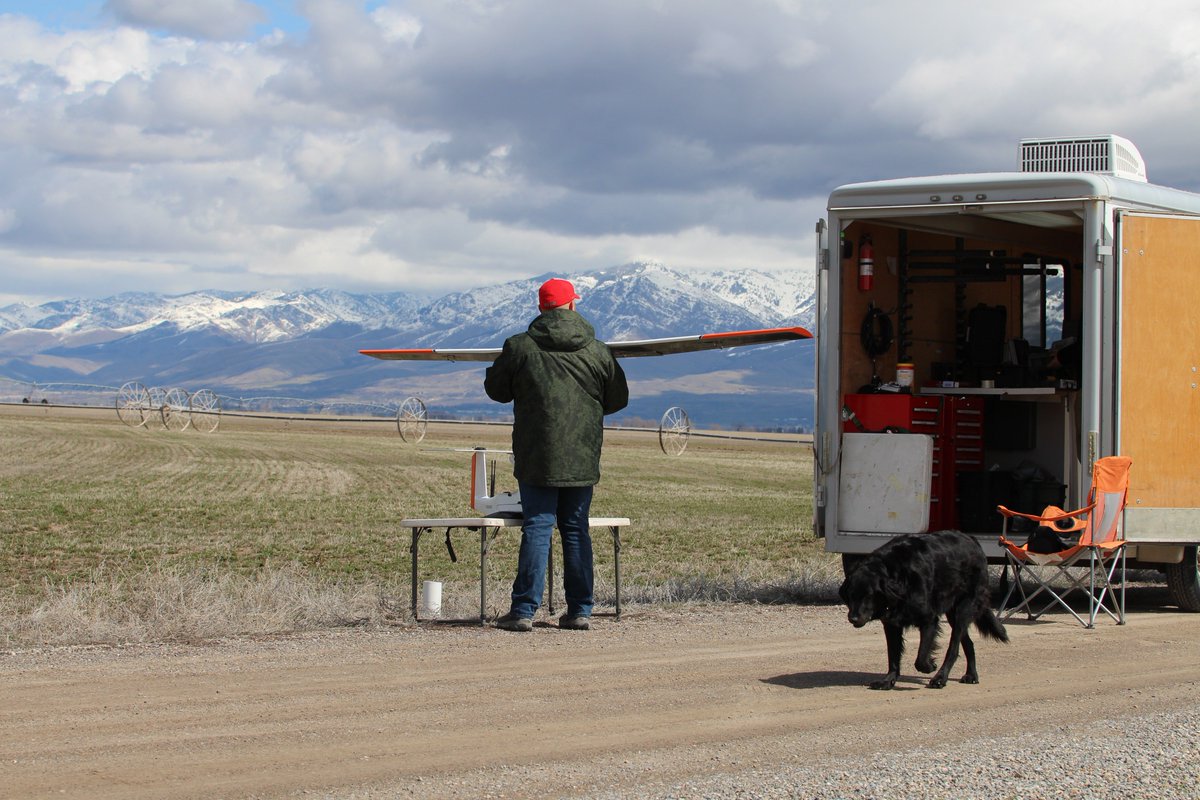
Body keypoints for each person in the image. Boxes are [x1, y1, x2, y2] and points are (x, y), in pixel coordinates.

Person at [484, 278, 629, 631]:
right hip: (581, 456)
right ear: (573, 305)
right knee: (575, 529)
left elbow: (496, 391)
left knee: (537, 526)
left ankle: (523, 611)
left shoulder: (519, 347)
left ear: (541, 308)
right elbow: (617, 399)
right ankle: (580, 610)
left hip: (536, 455)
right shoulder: (598, 350)